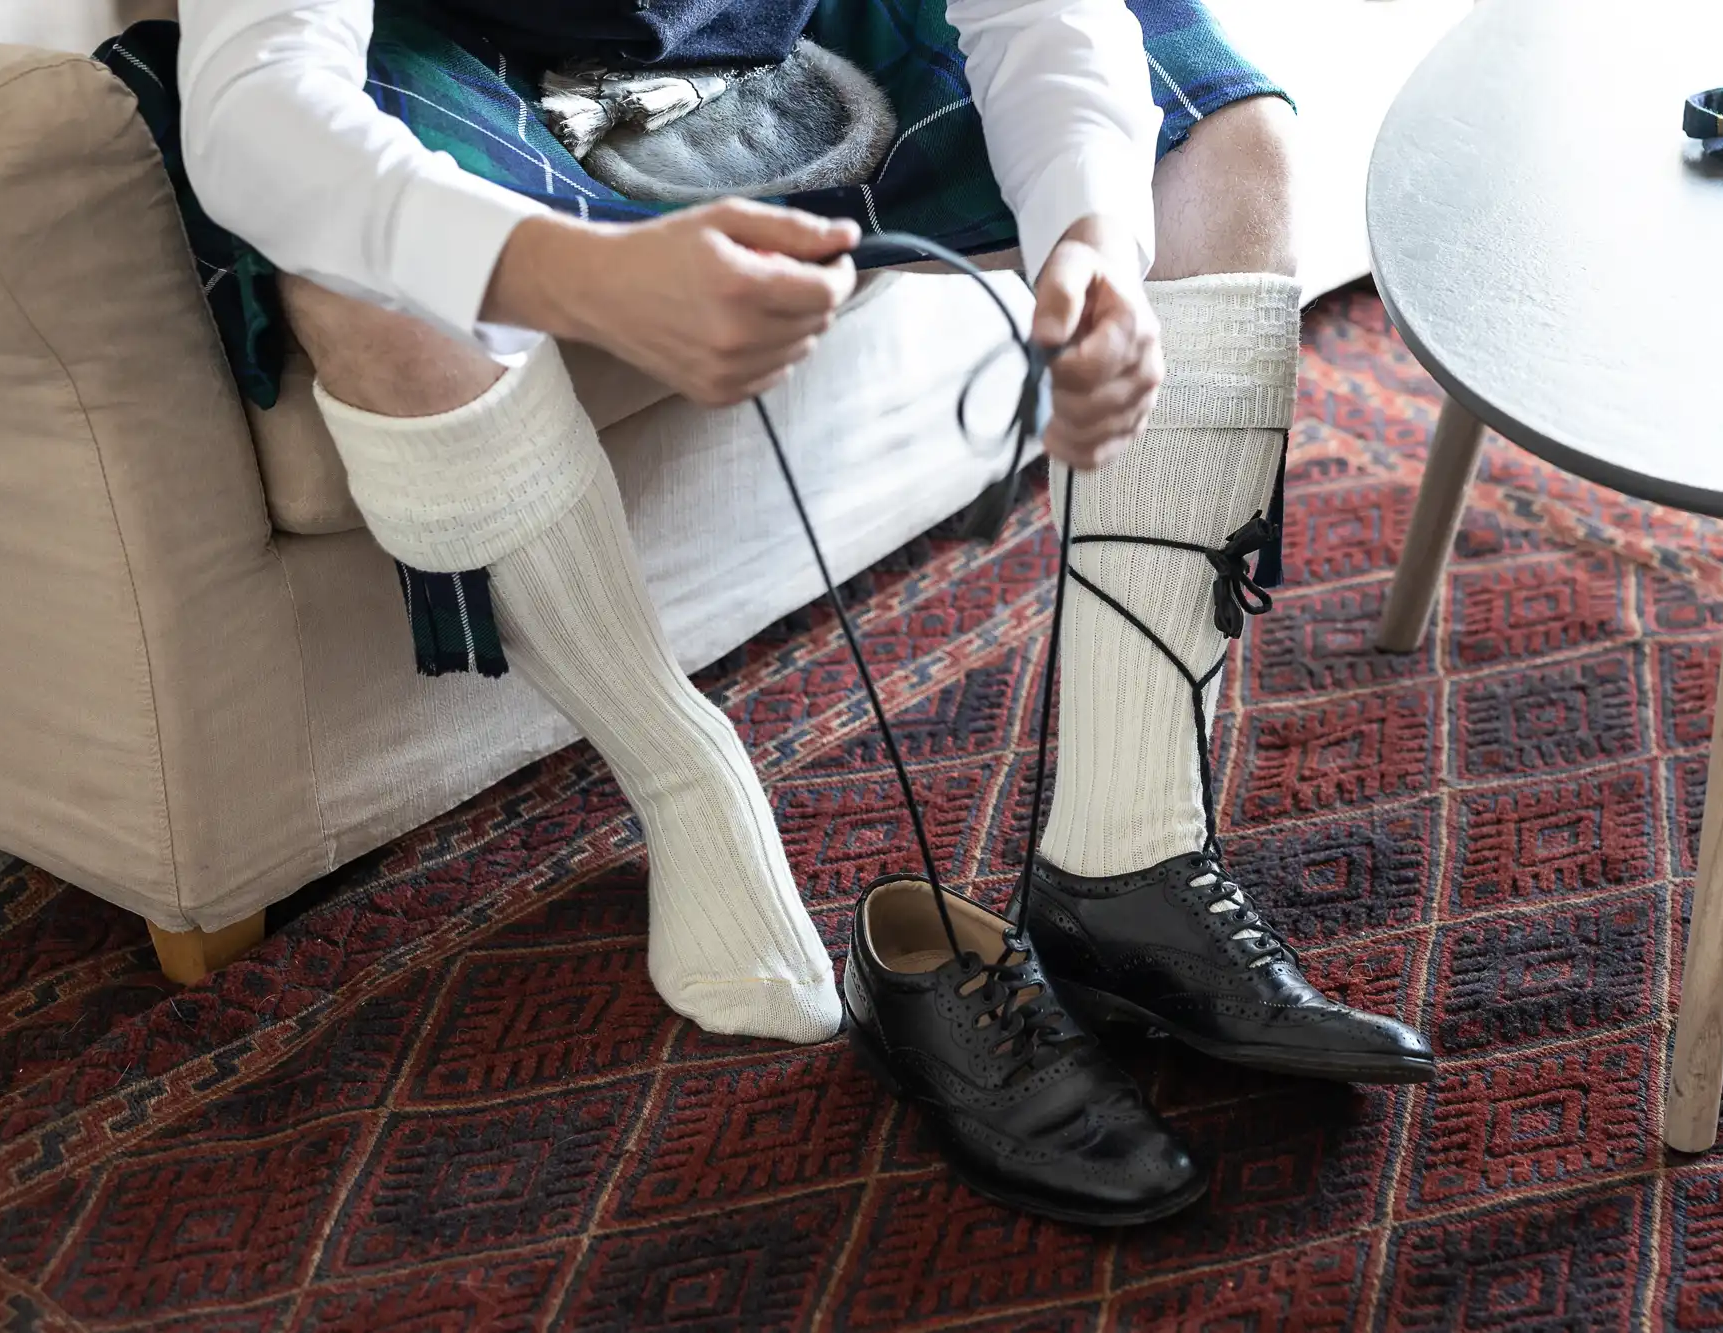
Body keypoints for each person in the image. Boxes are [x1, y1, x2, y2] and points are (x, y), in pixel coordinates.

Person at [162, 0, 1433, 1222]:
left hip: (803, 18)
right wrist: (570, 274)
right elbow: (255, 102)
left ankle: (1129, 860)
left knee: (1224, 138)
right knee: (354, 279)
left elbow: (1039, 14)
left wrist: (1092, 246)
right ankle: (685, 779)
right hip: (475, 49)